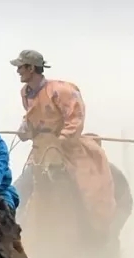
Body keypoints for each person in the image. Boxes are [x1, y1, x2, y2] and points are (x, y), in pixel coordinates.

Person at [11, 49, 116, 233]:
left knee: (91, 189)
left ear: (31, 68)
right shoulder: (25, 92)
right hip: (39, 149)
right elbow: (31, 119)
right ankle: (17, 230)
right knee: (19, 189)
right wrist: (25, 129)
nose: (18, 71)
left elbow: (75, 118)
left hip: (66, 149)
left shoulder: (62, 90)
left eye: (21, 67)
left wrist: (60, 141)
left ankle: (95, 232)